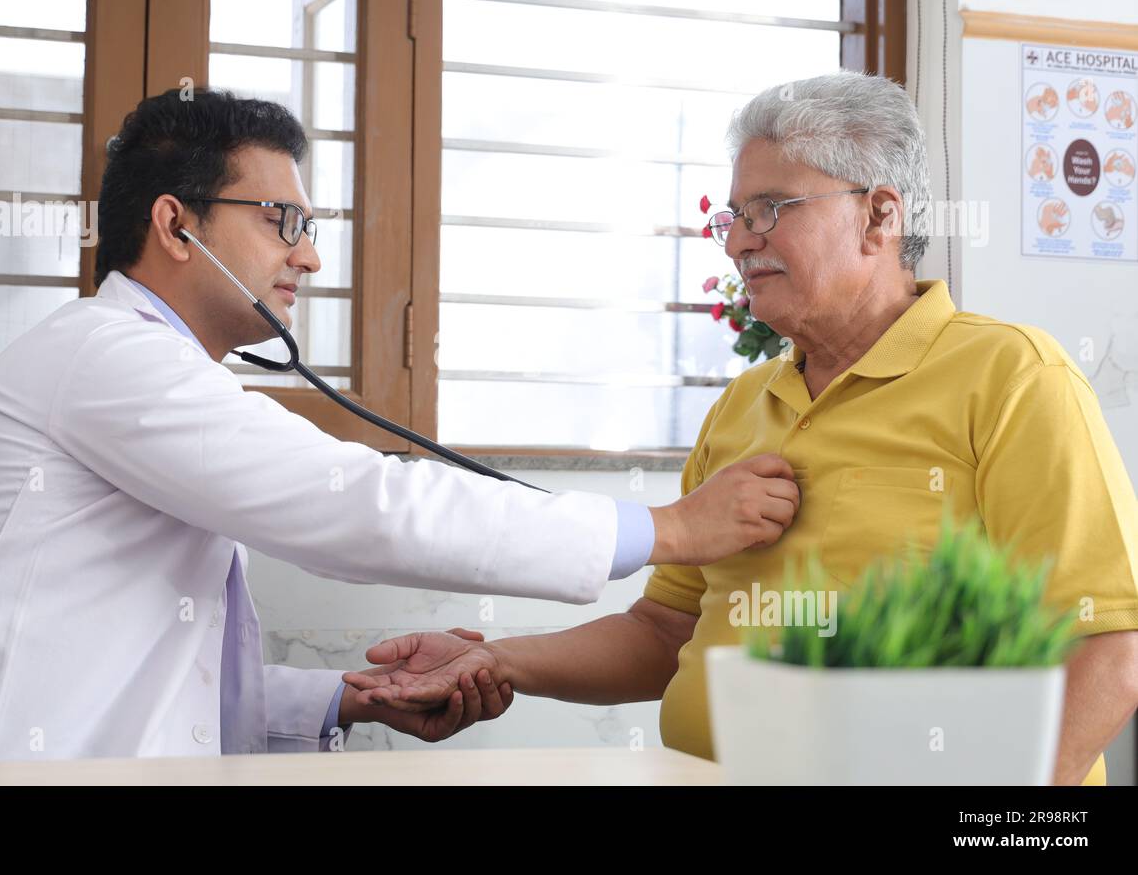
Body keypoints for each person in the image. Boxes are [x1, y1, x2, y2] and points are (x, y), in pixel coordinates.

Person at [0, 88, 800, 762]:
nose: (308, 256)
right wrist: (668, 528)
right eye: (280, 219)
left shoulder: (140, 370)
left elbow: (161, 669)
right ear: (176, 225)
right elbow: (354, 504)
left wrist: (356, 698)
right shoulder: (107, 360)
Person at [346, 71, 1138, 786]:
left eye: (772, 210)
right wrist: (497, 658)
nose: (737, 239)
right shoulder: (742, 405)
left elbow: (1108, 649)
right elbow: (666, 629)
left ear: (879, 215)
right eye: (734, 214)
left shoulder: (1012, 378)